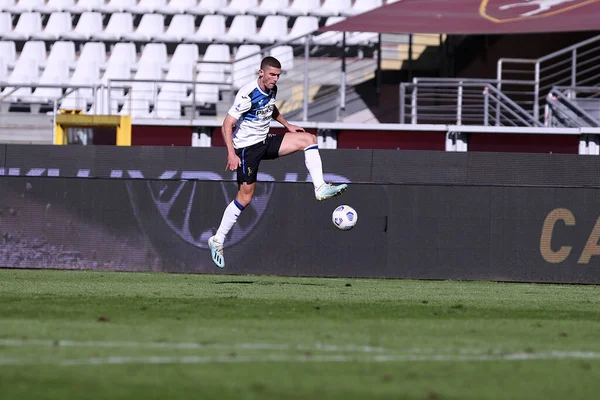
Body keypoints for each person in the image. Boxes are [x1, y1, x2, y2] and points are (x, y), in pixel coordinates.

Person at [208, 56, 348, 268]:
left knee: (309, 140)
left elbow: (270, 107)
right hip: (246, 149)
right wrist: (231, 154)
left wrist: (287, 124)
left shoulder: (272, 88)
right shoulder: (247, 94)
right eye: (271, 74)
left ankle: (320, 187)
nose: (275, 78)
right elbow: (227, 125)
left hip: (264, 140)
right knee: (245, 199)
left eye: (277, 75)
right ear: (261, 72)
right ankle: (217, 239)